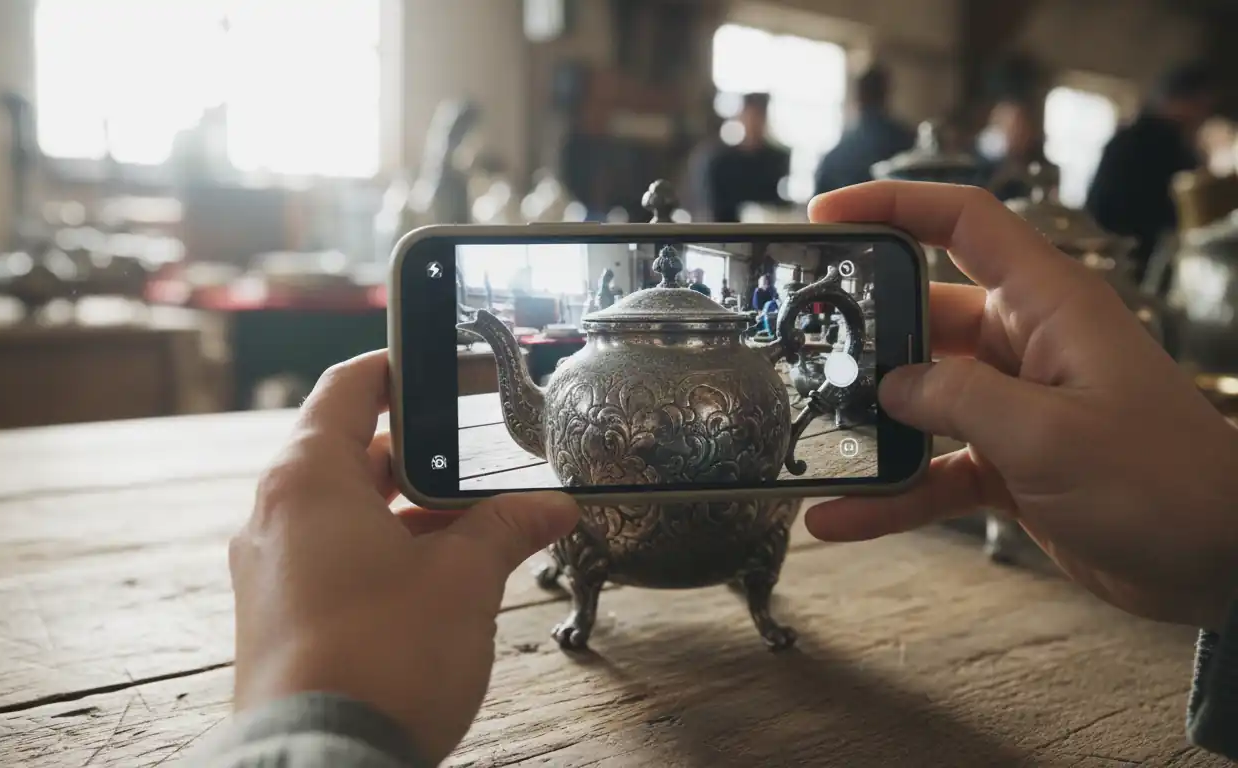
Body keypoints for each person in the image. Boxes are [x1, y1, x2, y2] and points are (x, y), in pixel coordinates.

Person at [192, 181, 1238, 767]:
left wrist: (317, 715)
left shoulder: (732, 354)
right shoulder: (608, 358)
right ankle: (624, 586)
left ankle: (703, 584)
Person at [1086, 62, 1219, 284]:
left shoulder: (1126, 139)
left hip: (1104, 259)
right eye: (1201, 106)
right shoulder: (1168, 148)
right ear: (1182, 101)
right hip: (1138, 265)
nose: (1202, 117)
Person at [813, 66, 915, 196]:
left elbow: (818, 206)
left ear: (858, 95)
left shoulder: (836, 154)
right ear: (887, 93)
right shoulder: (907, 142)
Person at [699, 93, 792, 222]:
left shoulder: (778, 158)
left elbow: (779, 203)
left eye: (759, 116)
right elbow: (713, 206)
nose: (754, 122)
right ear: (741, 117)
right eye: (750, 116)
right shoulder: (720, 161)